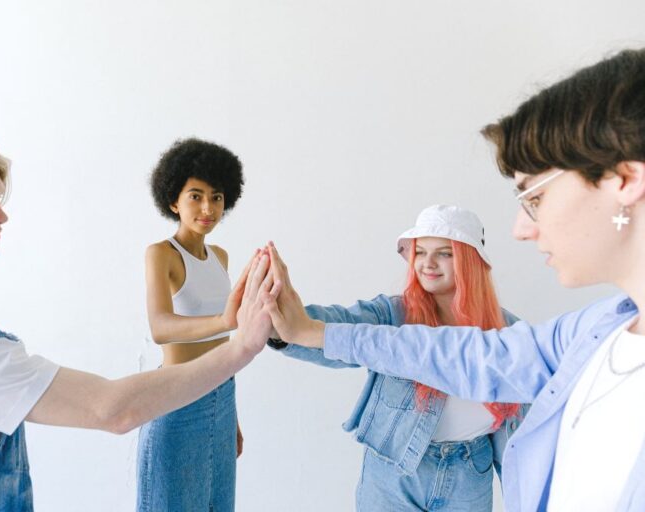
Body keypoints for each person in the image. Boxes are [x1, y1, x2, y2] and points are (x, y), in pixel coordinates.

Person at [266, 48, 645, 512]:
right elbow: (439, 350)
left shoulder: (520, 327)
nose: (521, 228)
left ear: (625, 180)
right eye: (420, 253)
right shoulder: (594, 332)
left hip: (469, 475)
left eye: (534, 196)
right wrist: (303, 330)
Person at [0, 119, 277, 511]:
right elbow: (113, 409)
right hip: (181, 407)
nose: (2, 216)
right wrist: (242, 342)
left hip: (217, 399)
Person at [268, 204, 525, 511]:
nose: (428, 263)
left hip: (470, 471)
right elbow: (340, 328)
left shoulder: (508, 332)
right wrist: (282, 327)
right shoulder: (393, 314)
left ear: (470, 261)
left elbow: (520, 432)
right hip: (395, 470)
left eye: (444, 253)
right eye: (420, 252)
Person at [137, 138, 247, 511]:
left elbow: (224, 345)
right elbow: (161, 327)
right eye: (195, 196)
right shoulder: (161, 254)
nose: (207, 208)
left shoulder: (220, 256)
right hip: (177, 397)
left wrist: (232, 416)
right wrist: (223, 320)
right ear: (173, 201)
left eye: (216, 197)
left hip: (221, 394)